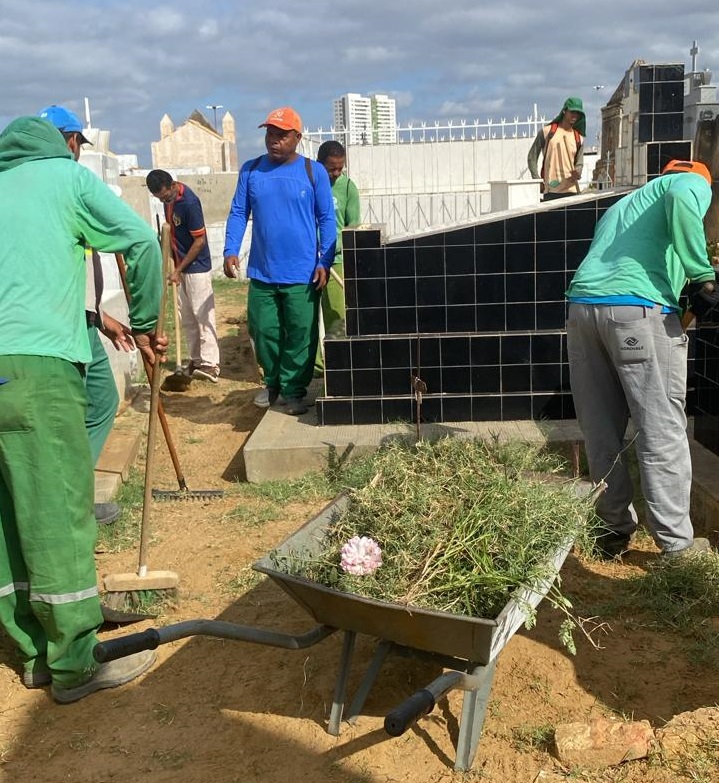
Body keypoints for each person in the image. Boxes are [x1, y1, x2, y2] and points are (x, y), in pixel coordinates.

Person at [0, 114, 165, 702]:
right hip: (39, 367)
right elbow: (143, 243)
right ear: (63, 146)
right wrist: (145, 323)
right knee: (58, 507)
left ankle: (31, 651)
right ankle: (72, 663)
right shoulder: (65, 179)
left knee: (6, 513)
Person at [565, 159, 718, 560]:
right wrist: (702, 274)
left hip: (582, 312)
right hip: (635, 312)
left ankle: (611, 531)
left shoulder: (625, 204)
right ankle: (676, 547)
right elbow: (686, 196)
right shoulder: (690, 182)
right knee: (661, 430)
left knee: (601, 428)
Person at [39, 105, 132, 526]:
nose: (76, 151)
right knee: (84, 406)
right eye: (75, 142)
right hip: (59, 325)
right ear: (70, 139)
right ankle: (70, 503)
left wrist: (98, 316)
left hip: (81, 318)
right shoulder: (60, 185)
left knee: (97, 401)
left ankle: (71, 496)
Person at [223, 107, 336, 415]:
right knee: (263, 330)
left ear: (297, 138)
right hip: (263, 272)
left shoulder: (314, 172)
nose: (274, 140)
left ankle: (295, 390)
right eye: (270, 134)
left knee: (301, 334)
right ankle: (273, 384)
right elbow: (238, 213)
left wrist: (324, 260)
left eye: (281, 135)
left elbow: (327, 219)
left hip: (302, 274)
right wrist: (230, 249)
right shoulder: (250, 170)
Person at [146, 169, 221, 383]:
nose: (164, 200)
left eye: (165, 196)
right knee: (186, 317)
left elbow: (199, 241)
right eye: (159, 198)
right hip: (180, 266)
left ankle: (210, 364)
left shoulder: (189, 203)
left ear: (172, 186)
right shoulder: (167, 201)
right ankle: (196, 359)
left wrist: (179, 269)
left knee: (202, 314)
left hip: (197, 266)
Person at [314, 140, 361, 372]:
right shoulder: (309, 183)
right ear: (319, 163)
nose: (336, 173)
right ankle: (314, 368)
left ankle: (338, 365)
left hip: (336, 263)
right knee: (306, 319)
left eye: (340, 168)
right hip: (307, 262)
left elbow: (353, 226)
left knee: (336, 317)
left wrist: (331, 249)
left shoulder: (348, 187)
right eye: (331, 168)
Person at [527, 97, 585, 200]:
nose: (575, 115)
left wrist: (577, 172)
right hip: (552, 190)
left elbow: (579, 163)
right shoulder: (547, 132)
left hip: (571, 191)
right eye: (572, 112)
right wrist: (537, 180)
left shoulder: (578, 138)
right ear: (564, 111)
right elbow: (532, 157)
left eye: (578, 113)